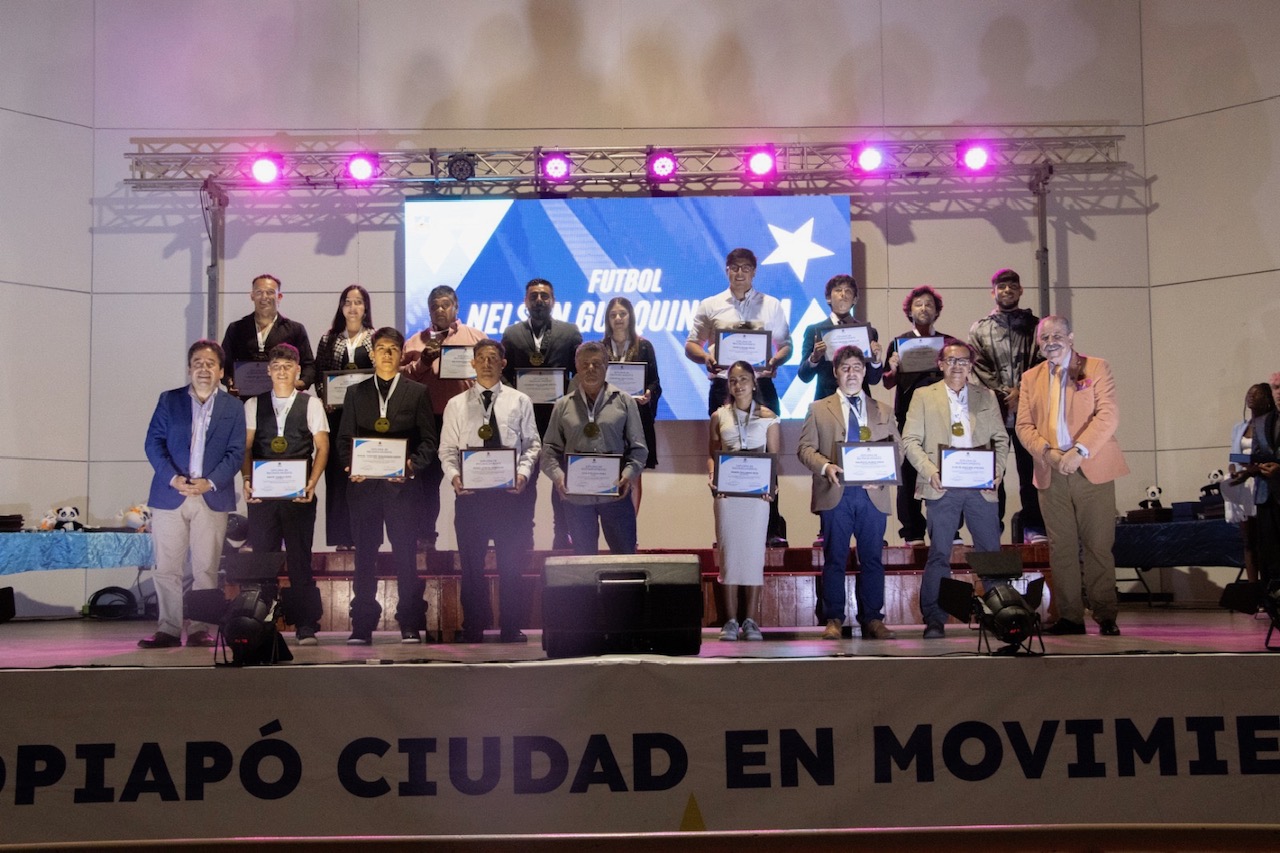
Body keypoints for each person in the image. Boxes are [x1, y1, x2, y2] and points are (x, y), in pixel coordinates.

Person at [1015, 316, 1129, 636]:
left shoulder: (1096, 367)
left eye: (1057, 335)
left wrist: (1078, 451)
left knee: (1098, 545)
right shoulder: (1030, 378)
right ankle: (1070, 617)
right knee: (1061, 546)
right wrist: (1049, 454)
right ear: (1038, 343)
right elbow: (1023, 426)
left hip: (1091, 466)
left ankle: (1105, 613)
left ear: (1071, 337)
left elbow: (1108, 414)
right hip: (1051, 470)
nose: (1051, 341)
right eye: (1044, 337)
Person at [139, 340, 246, 648]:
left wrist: (210, 482)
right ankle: (168, 629)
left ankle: (200, 628)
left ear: (221, 372)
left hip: (212, 496)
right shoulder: (169, 400)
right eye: (197, 363)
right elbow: (153, 443)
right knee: (167, 567)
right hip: (170, 494)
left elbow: (236, 452)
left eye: (210, 364)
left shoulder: (233, 407)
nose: (203, 369)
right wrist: (173, 478)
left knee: (206, 568)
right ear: (189, 369)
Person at [900, 340, 1009, 638]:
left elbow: (1001, 439)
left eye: (962, 361)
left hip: (980, 486)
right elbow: (910, 440)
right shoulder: (923, 395)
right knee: (939, 554)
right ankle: (935, 618)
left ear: (971, 365)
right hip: (941, 485)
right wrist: (930, 471)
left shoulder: (986, 395)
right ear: (940, 364)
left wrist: (997, 470)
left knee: (990, 553)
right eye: (950, 360)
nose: (956, 366)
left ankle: (1000, 615)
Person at [337, 327, 438, 644]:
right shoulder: (355, 393)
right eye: (381, 348)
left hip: (403, 489)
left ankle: (409, 622)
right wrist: (351, 466)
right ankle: (362, 624)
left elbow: (429, 441)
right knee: (364, 558)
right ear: (372, 354)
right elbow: (344, 439)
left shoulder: (417, 392)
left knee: (406, 556)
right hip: (363, 489)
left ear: (401, 354)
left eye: (393, 348)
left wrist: (411, 466)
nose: (387, 354)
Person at [685, 247, 791, 546]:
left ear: (754, 271)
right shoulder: (710, 305)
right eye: (734, 267)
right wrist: (705, 357)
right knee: (723, 452)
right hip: (723, 385)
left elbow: (786, 345)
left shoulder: (771, 305)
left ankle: (770, 529)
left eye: (745, 267)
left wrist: (775, 360)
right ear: (727, 271)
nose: (740, 272)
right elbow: (691, 344)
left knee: (766, 454)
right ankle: (727, 528)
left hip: (761, 386)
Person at [438, 339, 541, 643]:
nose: (486, 363)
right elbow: (447, 450)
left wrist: (522, 475)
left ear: (502, 363)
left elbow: (532, 445)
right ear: (472, 363)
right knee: (471, 567)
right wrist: (455, 477)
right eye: (481, 358)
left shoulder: (520, 401)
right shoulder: (456, 404)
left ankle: (511, 626)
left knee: (511, 565)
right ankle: (474, 626)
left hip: (509, 499)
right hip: (471, 499)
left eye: (492, 358)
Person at [797, 346, 898, 641]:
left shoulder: (883, 409)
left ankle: (873, 619)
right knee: (834, 559)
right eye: (845, 368)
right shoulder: (818, 408)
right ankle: (833, 619)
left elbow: (898, 449)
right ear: (835, 372)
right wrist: (825, 466)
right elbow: (804, 448)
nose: (851, 373)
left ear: (865, 372)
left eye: (856, 367)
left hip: (873, 494)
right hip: (836, 491)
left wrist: (882, 476)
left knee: (872, 559)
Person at [241, 344, 329, 644]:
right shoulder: (253, 404)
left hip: (299, 495)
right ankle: (260, 622)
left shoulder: (311, 404)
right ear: (268, 370)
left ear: (297, 371)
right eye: (276, 366)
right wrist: (247, 479)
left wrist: (312, 483)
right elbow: (246, 447)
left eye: (288, 366)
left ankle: (305, 624)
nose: (281, 371)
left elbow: (323, 447)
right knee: (263, 561)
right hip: (263, 496)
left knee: (300, 560)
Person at [541, 341, 648, 555]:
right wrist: (559, 478)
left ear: (607, 367)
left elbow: (639, 449)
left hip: (616, 495)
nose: (591, 369)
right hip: (576, 499)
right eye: (585, 364)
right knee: (584, 563)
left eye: (597, 364)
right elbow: (549, 451)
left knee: (625, 560)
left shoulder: (625, 401)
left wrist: (628, 475)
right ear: (577, 367)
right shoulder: (562, 406)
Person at [402, 284, 487, 550]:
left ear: (456, 307)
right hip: (428, 421)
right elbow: (400, 379)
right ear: (429, 311)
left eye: (445, 304)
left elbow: (491, 372)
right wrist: (423, 363)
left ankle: (477, 539)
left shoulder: (476, 337)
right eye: (434, 306)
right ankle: (425, 537)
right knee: (426, 482)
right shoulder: (415, 342)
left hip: (467, 419)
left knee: (471, 479)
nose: (440, 309)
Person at [501, 278, 583, 549]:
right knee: (525, 479)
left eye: (544, 296)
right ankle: (524, 537)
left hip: (560, 420)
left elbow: (579, 373)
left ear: (553, 301)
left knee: (561, 479)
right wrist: (517, 398)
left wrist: (566, 398)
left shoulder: (570, 332)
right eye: (534, 296)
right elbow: (504, 373)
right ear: (525, 301)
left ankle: (563, 536)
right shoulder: (512, 334)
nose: (539, 300)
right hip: (524, 421)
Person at [969, 268, 1046, 542]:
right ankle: (992, 529)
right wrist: (1005, 394)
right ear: (993, 292)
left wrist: (1021, 391)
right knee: (993, 473)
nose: (1007, 290)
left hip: (1030, 412)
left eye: (1013, 285)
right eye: (1001, 286)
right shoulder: (980, 329)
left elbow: (1042, 362)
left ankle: (1034, 527)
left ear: (1021, 290)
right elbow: (978, 368)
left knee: (1031, 473)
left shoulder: (1037, 327)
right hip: (994, 412)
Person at [708, 362, 780, 641]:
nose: (738, 385)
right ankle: (729, 621)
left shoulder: (769, 417)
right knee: (728, 555)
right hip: (727, 495)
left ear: (754, 383)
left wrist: (771, 487)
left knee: (753, 557)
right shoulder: (719, 416)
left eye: (744, 379)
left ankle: (750, 621)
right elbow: (712, 454)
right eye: (733, 380)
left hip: (757, 497)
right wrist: (713, 478)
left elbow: (773, 459)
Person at [883, 285, 953, 545]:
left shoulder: (948, 343)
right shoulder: (898, 343)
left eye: (929, 304)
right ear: (910, 311)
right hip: (909, 417)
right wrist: (892, 369)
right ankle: (912, 531)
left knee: (944, 468)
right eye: (919, 304)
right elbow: (887, 382)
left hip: (942, 416)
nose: (924, 308)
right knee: (909, 473)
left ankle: (949, 529)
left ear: (937, 311)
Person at [314, 284, 374, 550]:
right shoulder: (328, 339)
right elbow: (319, 375)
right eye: (348, 302)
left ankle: (365, 538)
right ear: (341, 307)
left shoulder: (375, 339)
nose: (353, 307)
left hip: (366, 419)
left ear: (365, 308)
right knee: (338, 477)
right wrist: (325, 398)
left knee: (364, 477)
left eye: (358, 302)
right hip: (337, 418)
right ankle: (341, 539)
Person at [599, 296, 662, 513]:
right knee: (608, 470)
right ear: (608, 319)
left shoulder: (644, 346)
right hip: (608, 420)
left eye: (622, 314)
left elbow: (655, 382)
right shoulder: (600, 348)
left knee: (634, 472)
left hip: (636, 417)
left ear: (630, 317)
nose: (618, 318)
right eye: (613, 315)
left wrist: (649, 394)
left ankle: (631, 525)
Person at [220, 273, 316, 395]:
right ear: (252, 296)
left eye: (270, 292)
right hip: (244, 398)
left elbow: (309, 365)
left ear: (279, 296)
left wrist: (299, 383)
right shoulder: (236, 328)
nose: (264, 297)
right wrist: (230, 382)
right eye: (259, 292)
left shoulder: (295, 329)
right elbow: (224, 363)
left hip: (282, 398)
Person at [797, 274, 884, 401]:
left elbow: (873, 380)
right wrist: (814, 358)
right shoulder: (813, 331)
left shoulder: (868, 332)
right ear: (828, 298)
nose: (843, 294)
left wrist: (876, 361)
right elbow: (804, 376)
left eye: (848, 291)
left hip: (860, 401)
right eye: (838, 290)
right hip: (825, 401)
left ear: (855, 299)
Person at [1225, 383, 1278, 582]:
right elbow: (1234, 456)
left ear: (1266, 398)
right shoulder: (1240, 427)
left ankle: (1270, 585)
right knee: (1250, 541)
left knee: (1269, 540)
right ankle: (1255, 588)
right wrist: (1236, 470)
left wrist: (1257, 467)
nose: (1250, 396)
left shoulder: (1271, 422)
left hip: (1266, 480)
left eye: (1256, 394)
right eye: (1249, 393)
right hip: (1247, 482)